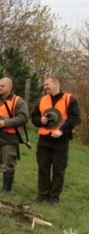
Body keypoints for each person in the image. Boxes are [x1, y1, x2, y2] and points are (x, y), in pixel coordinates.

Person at [31, 77, 81, 206]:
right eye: (44, 85)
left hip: (61, 140)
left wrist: (61, 130)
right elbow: (34, 117)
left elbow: (75, 118)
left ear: (55, 84)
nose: (45, 87)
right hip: (44, 140)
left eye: (47, 84)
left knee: (59, 170)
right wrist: (39, 120)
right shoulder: (42, 100)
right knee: (43, 168)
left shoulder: (69, 99)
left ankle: (54, 198)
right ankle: (42, 194)